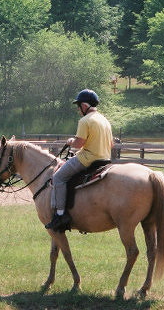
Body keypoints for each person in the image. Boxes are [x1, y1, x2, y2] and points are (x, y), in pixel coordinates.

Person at [45, 89, 114, 232]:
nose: (78, 109)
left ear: (84, 106)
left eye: (78, 106)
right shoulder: (104, 120)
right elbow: (111, 144)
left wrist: (71, 141)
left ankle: (60, 215)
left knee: (58, 177)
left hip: (87, 159)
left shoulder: (85, 121)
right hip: (105, 158)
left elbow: (78, 144)